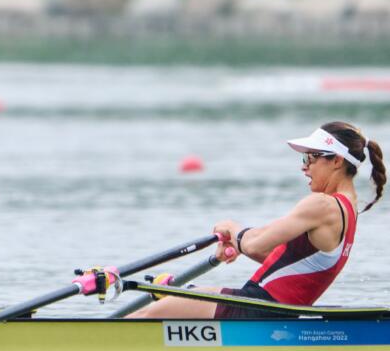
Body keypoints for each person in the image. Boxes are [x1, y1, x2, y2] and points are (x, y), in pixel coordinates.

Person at [129, 121, 384, 319]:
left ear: (336, 161)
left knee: (144, 316)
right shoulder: (348, 209)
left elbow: (254, 244)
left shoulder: (322, 205)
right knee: (172, 302)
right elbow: (284, 259)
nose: (304, 167)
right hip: (267, 309)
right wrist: (237, 241)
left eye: (310, 158)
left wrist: (232, 229)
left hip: (258, 310)